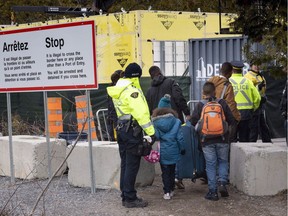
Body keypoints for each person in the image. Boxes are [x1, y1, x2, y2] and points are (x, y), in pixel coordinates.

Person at [106, 62, 156, 208]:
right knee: (132, 165)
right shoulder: (132, 91)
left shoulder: (119, 89)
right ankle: (130, 198)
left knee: (126, 164)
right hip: (132, 132)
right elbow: (141, 114)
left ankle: (125, 194)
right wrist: (152, 133)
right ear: (136, 76)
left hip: (122, 130)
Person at [145, 65, 190, 189]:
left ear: (151, 76)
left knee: (163, 150)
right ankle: (177, 176)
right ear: (160, 72)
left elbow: (148, 110)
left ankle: (167, 182)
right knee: (177, 148)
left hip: (158, 126)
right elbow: (179, 98)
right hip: (174, 122)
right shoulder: (171, 83)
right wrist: (187, 113)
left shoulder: (149, 91)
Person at [190, 82, 235, 201]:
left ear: (203, 93)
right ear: (215, 91)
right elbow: (231, 120)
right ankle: (222, 183)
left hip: (206, 140)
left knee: (210, 165)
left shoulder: (200, 105)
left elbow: (193, 121)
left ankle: (213, 191)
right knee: (223, 161)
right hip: (222, 139)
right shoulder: (222, 103)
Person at [151, 94, 186, 200]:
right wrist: (182, 148)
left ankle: (166, 192)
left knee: (165, 172)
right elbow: (180, 138)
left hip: (163, 150)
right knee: (172, 171)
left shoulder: (155, 122)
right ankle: (171, 190)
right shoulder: (176, 121)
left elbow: (156, 136)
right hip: (174, 149)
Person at [208, 62, 241, 143]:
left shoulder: (210, 81)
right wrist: (237, 118)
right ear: (230, 72)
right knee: (229, 140)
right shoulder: (228, 85)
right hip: (222, 117)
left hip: (209, 116)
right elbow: (231, 104)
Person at [229, 61, 261, 142]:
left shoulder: (228, 82)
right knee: (245, 140)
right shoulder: (248, 82)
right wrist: (253, 108)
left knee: (232, 140)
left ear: (232, 70)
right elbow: (257, 98)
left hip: (232, 113)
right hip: (246, 113)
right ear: (241, 70)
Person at [244, 63, 272, 142]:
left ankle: (267, 142)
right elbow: (249, 91)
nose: (257, 66)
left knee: (263, 125)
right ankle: (252, 144)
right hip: (254, 104)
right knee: (254, 126)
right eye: (255, 65)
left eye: (258, 65)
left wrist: (264, 97)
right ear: (251, 66)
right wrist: (258, 87)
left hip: (260, 103)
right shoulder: (247, 76)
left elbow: (263, 91)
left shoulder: (260, 76)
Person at [107, 70, 122, 141]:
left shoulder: (110, 88)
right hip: (116, 113)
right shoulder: (117, 89)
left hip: (112, 113)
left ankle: (113, 138)